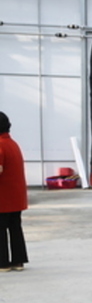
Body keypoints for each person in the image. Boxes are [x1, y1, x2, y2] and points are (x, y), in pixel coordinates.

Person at [0, 112, 28, 272]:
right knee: (15, 227)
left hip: (3, 196)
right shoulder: (13, 143)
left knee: (0, 229)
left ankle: (2, 263)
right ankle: (18, 261)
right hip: (16, 196)